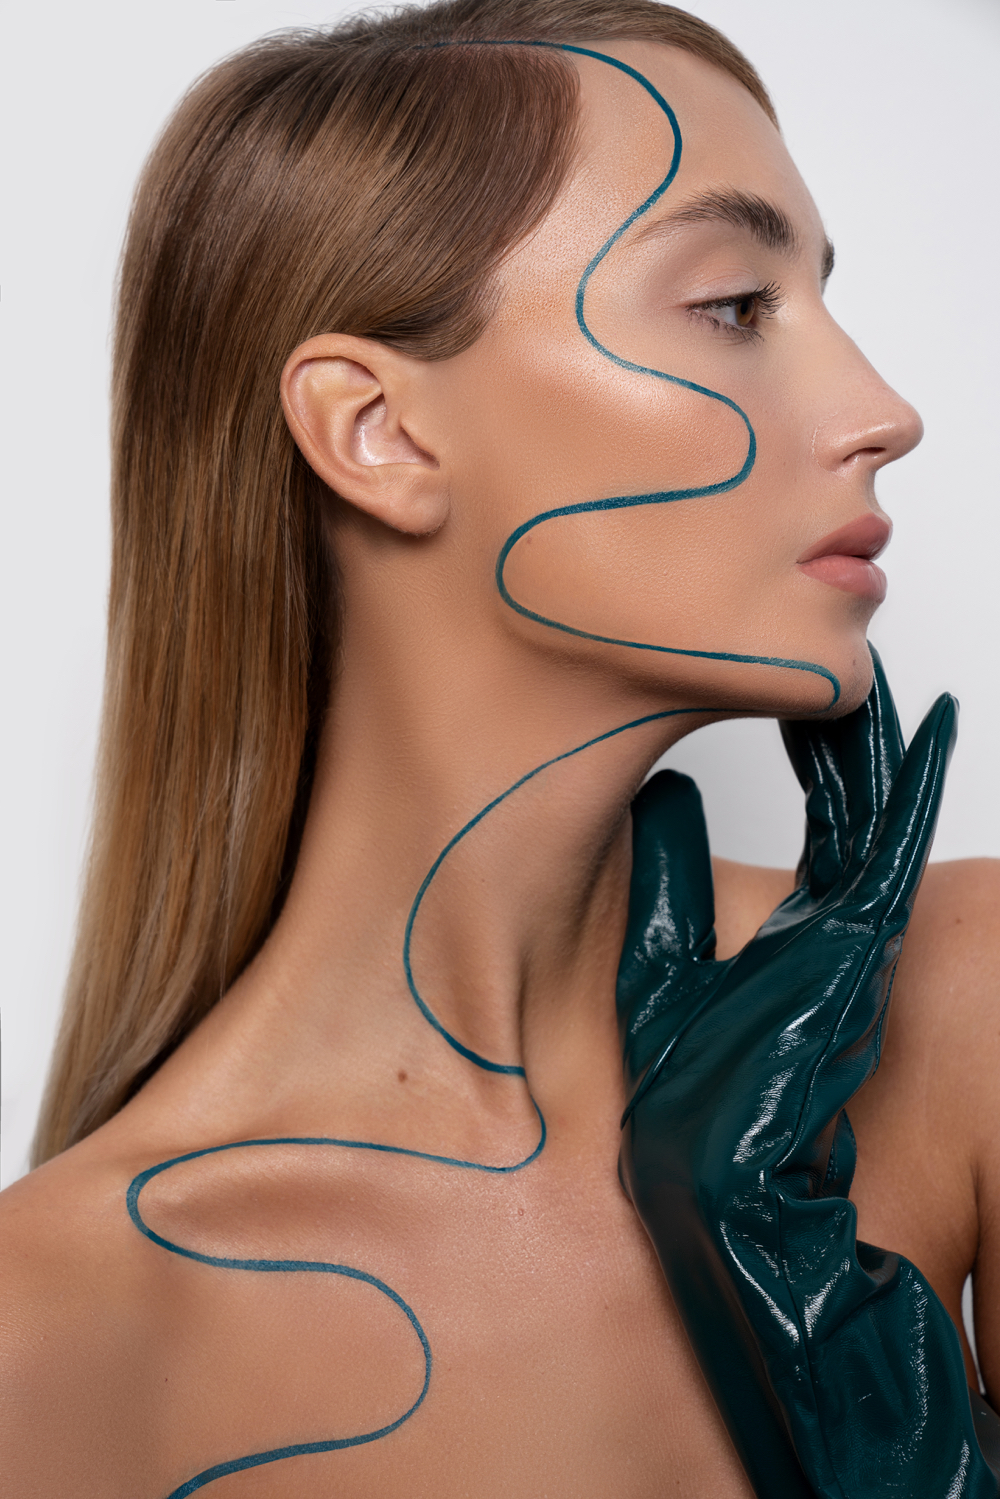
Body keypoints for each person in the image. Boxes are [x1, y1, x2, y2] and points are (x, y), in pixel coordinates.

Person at [2, 1, 998, 1494]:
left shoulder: (966, 1009)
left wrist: (842, 1366)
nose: (885, 414)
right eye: (736, 306)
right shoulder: (50, 1339)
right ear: (381, 433)